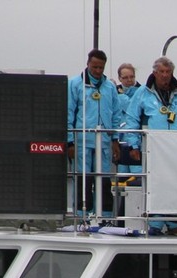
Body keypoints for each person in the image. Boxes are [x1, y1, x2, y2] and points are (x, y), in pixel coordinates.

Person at [123, 56, 177, 236]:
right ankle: (155, 223)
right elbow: (132, 119)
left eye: (168, 72)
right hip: (153, 148)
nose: (164, 75)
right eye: (161, 72)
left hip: (176, 148)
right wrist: (133, 146)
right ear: (154, 73)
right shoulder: (143, 92)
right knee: (156, 184)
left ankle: (174, 224)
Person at [67, 49, 122, 218]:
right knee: (83, 180)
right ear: (88, 64)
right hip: (82, 141)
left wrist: (115, 139)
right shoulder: (75, 84)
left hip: (104, 141)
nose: (98, 71)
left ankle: (105, 216)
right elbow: (69, 113)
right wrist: (70, 141)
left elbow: (116, 114)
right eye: (95, 67)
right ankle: (81, 216)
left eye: (101, 67)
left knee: (104, 181)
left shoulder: (109, 87)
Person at [115, 63, 143, 181]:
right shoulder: (114, 93)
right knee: (122, 177)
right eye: (125, 78)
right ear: (120, 78)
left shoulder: (142, 93)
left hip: (136, 141)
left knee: (137, 177)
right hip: (120, 141)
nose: (129, 80)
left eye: (131, 77)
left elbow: (134, 111)